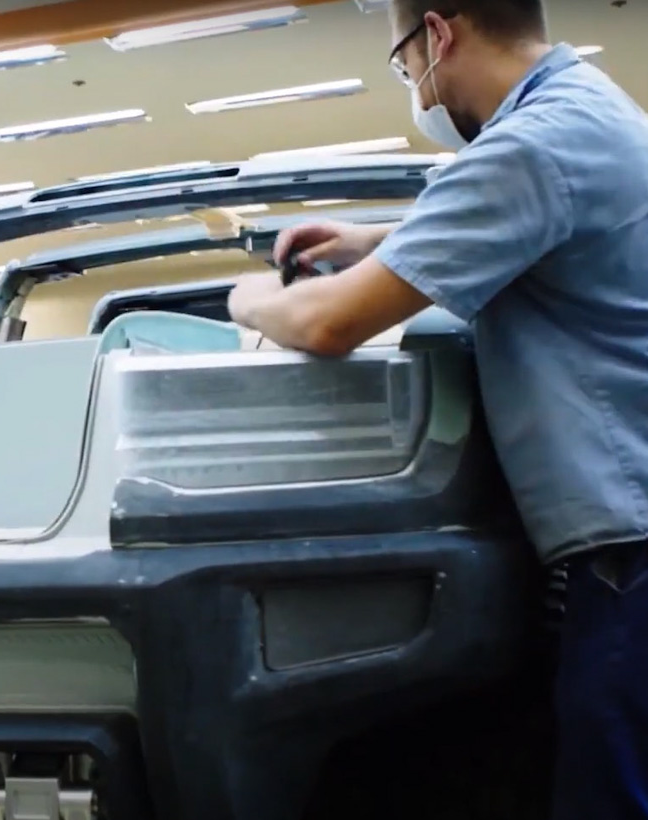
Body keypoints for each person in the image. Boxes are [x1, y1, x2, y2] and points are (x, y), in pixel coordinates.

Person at [227, 0, 648, 816]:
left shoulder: (535, 144)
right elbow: (525, 216)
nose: (414, 85)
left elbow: (329, 322)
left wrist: (245, 299)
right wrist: (372, 240)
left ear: (439, 34)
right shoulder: (585, 111)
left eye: (403, 61)